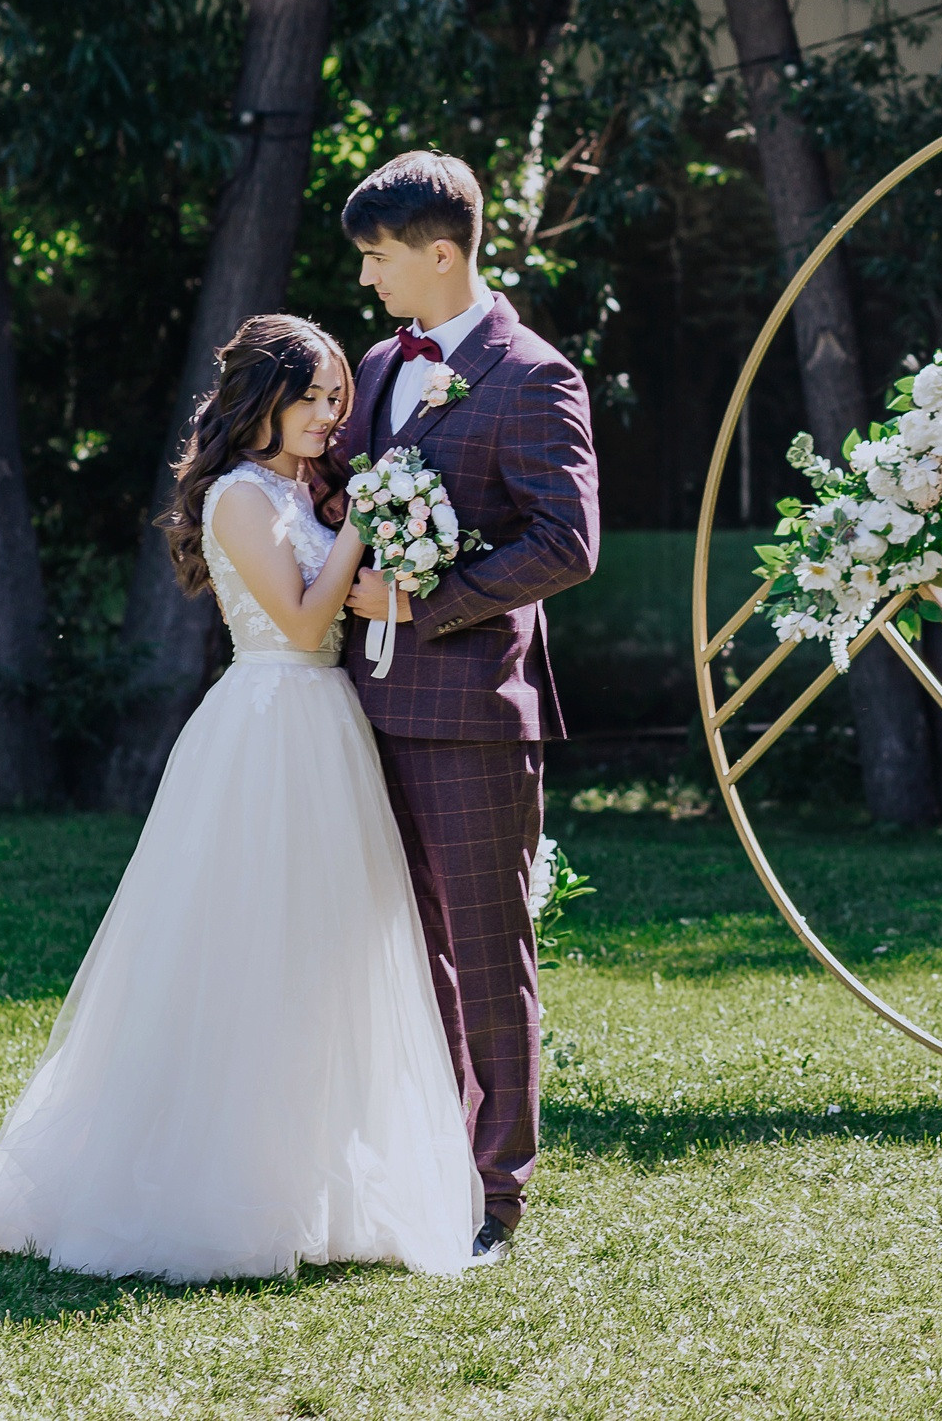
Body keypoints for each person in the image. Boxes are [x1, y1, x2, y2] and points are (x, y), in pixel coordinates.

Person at [0, 314, 483, 1282]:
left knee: (330, 954)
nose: (332, 415)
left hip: (328, 725)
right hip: (269, 723)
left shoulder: (299, 487)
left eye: (338, 397)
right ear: (262, 400)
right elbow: (299, 613)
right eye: (314, 397)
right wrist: (368, 520)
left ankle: (319, 1183)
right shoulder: (242, 498)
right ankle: (211, 1187)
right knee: (249, 948)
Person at [336, 152, 600, 1261]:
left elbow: (567, 545)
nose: (369, 281)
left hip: (474, 715)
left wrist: (430, 601)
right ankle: (425, 1166)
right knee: (403, 959)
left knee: (489, 958)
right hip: (359, 711)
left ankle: (495, 1199)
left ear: (441, 254)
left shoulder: (534, 376)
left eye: (380, 258)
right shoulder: (376, 364)